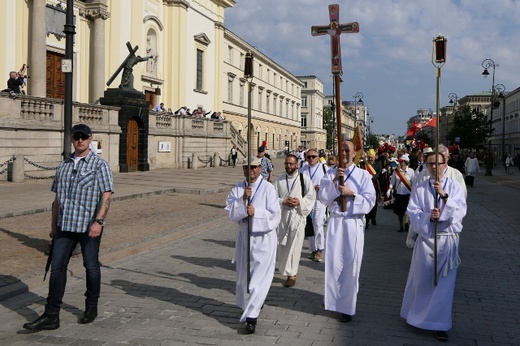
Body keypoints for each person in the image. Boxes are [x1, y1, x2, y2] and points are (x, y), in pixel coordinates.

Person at [23, 124, 114, 331]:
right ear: (71, 139)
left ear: (91, 139)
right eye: (76, 137)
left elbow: (106, 197)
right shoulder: (63, 165)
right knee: (57, 269)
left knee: (91, 266)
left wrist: (98, 222)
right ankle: (51, 315)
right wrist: (53, 226)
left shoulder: (100, 165)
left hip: (88, 226)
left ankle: (91, 306)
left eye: (83, 137)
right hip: (65, 225)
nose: (80, 140)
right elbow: (57, 199)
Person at [401, 152, 467, 342]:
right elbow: (412, 212)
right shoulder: (420, 188)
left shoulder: (454, 186)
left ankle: (439, 324)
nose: (434, 167)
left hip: (447, 241)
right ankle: (417, 316)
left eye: (438, 163)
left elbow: (461, 210)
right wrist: (429, 215)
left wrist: (444, 197)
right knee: (422, 281)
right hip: (427, 240)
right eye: (430, 164)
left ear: (445, 164)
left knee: (443, 286)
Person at [317, 141, 376, 323]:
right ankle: (335, 302)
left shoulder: (363, 175)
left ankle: (348, 306)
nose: (343, 153)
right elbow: (323, 198)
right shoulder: (330, 172)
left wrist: (351, 194)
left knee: (351, 264)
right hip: (336, 222)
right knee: (334, 263)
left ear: (354, 153)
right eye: (340, 150)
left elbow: (370, 201)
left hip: (353, 223)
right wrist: (335, 181)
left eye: (347, 150)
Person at [225, 157, 281, 334]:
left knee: (258, 278)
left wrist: (256, 212)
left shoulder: (269, 189)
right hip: (244, 237)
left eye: (254, 167)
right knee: (245, 277)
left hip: (263, 238)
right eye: (246, 167)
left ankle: (252, 317)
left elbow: (275, 215)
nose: (250, 171)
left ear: (260, 168)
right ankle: (252, 304)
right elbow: (229, 212)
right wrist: (242, 201)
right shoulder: (238, 188)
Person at [274, 154, 316, 287]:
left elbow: (311, 197)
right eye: (287, 163)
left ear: (297, 165)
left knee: (295, 246)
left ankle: (292, 274)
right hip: (283, 217)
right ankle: (284, 268)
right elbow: (273, 199)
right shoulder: (279, 180)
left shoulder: (304, 179)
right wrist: (283, 201)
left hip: (297, 216)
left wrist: (299, 202)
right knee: (283, 245)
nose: (289, 166)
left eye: (291, 164)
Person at [299, 149, 328, 262]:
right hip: (307, 200)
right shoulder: (302, 170)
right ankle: (313, 249)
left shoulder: (324, 169)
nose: (311, 159)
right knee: (310, 224)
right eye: (309, 157)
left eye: (313, 157)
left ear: (318, 157)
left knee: (318, 223)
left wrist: (320, 187)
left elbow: (330, 183)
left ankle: (320, 248)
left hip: (319, 199)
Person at [387, 154, 414, 232]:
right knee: (399, 212)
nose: (401, 163)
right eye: (400, 162)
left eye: (402, 162)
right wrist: (389, 189)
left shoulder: (411, 171)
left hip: (408, 194)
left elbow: (414, 183)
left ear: (406, 162)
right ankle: (400, 226)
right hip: (399, 194)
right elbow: (392, 182)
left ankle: (407, 224)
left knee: (407, 211)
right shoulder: (396, 171)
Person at [364, 149, 382, 228]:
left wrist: (373, 177)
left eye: (372, 157)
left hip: (375, 185)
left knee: (374, 204)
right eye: (369, 157)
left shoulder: (378, 164)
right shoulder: (364, 164)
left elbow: (379, 174)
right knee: (367, 203)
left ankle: (373, 217)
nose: (370, 159)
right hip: (366, 186)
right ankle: (367, 221)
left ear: (375, 157)